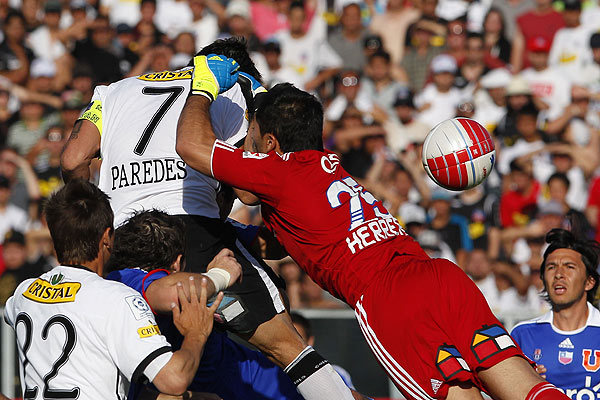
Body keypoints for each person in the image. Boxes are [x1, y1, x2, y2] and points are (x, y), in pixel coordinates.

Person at [176, 56, 572, 400]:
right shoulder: (327, 166)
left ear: (273, 144)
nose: (246, 150)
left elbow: (190, 145)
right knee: (524, 387)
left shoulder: (277, 170)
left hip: (390, 297)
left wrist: (203, 86)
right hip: (440, 277)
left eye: (250, 141)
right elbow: (285, 242)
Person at [60, 37, 354, 400]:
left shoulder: (114, 90)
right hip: (193, 232)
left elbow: (73, 160)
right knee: (286, 347)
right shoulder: (237, 86)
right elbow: (250, 188)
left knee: (153, 368)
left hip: (120, 237)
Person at [3, 179, 229, 399]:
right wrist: (196, 333)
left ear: (55, 238)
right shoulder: (118, 298)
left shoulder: (23, 295)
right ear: (106, 238)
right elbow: (174, 379)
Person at [106, 209, 304, 400]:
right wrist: (220, 275)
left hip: (247, 377)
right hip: (235, 380)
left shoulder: (114, 284)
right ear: (177, 263)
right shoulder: (127, 281)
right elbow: (170, 292)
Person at [511, 229, 600, 398]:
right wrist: (523, 384)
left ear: (589, 282)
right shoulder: (522, 335)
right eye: (551, 267)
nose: (559, 274)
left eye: (569, 267)